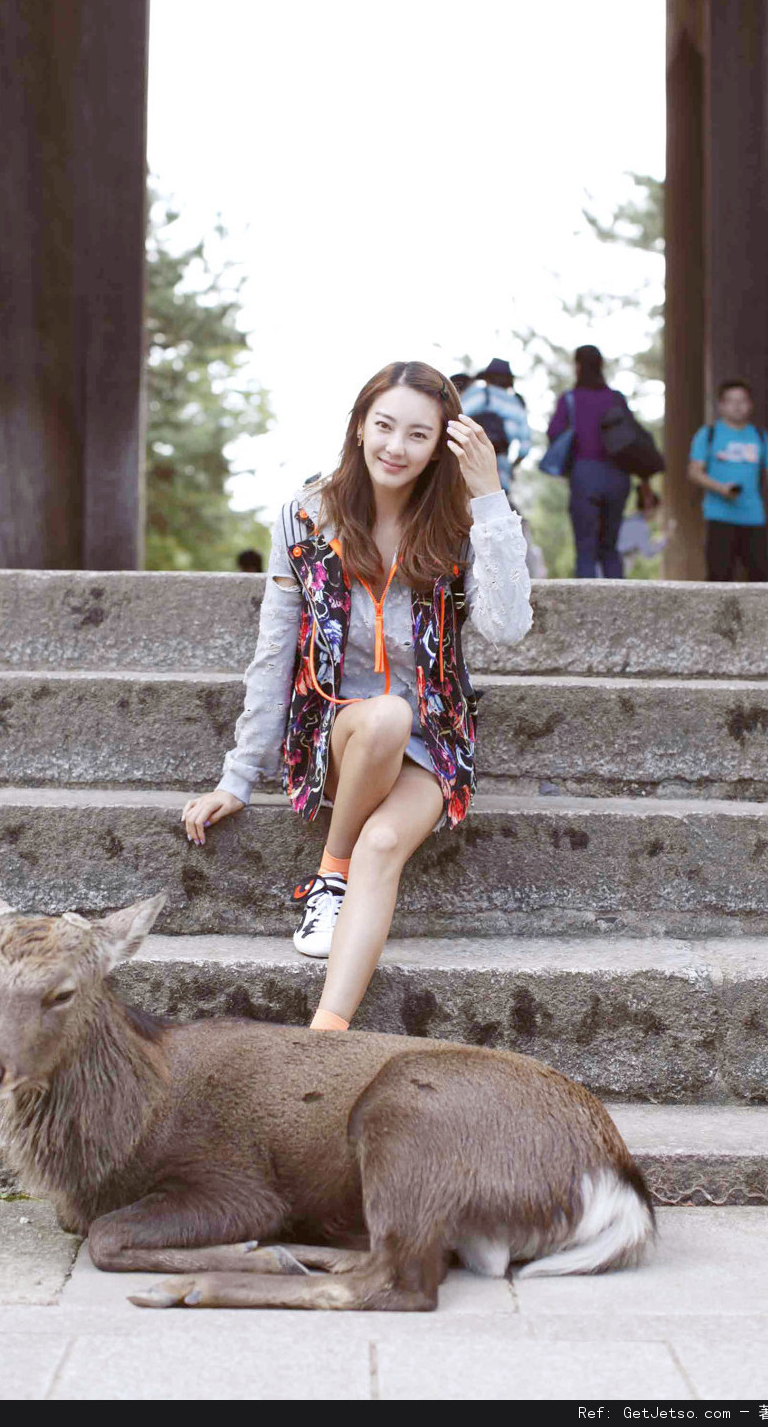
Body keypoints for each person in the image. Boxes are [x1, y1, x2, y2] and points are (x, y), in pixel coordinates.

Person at [181, 360, 533, 1032]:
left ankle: (326, 1035)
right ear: (360, 426)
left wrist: (489, 498)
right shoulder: (308, 517)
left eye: (418, 435)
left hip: (434, 743)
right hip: (339, 731)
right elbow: (274, 648)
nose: (396, 448)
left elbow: (508, 625)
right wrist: (238, 775)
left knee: (386, 845)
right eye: (385, 427)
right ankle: (330, 872)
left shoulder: (459, 524)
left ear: (441, 447)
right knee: (383, 718)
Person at [687, 379, 768, 581]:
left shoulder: (760, 436)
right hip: (719, 516)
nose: (737, 406)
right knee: (719, 578)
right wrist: (720, 488)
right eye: (731, 401)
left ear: (750, 404)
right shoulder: (708, 434)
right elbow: (694, 472)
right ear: (721, 405)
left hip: (754, 516)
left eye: (742, 400)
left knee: (760, 578)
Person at [548, 345, 632, 578]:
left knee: (585, 547)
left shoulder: (570, 399)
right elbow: (631, 436)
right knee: (610, 547)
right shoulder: (616, 398)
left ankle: (583, 610)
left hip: (585, 474)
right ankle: (619, 605)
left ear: (577, 366)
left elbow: (554, 433)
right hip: (618, 476)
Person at [461, 358, 531, 498]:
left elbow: (458, 416)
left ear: (487, 378)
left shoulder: (480, 393)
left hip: (472, 455)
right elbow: (525, 446)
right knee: (498, 499)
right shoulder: (516, 404)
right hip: (501, 459)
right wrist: (512, 465)